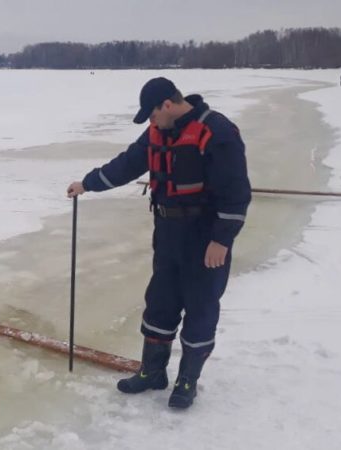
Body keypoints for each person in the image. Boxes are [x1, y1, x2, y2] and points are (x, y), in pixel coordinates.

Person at [66, 77, 251, 409]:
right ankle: (153, 372)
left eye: (151, 115)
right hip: (167, 232)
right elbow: (126, 164)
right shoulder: (157, 133)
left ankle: (187, 380)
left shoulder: (218, 132)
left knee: (200, 306)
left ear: (167, 104)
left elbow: (236, 193)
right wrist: (87, 184)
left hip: (204, 236)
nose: (150, 123)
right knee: (160, 303)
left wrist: (221, 240)